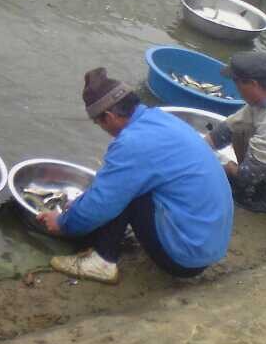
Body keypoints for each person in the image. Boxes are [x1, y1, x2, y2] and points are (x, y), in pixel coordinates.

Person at [38, 68, 233, 284]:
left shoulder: (132, 143)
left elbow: (104, 201)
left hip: (185, 258)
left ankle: (102, 261)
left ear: (109, 117)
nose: (102, 129)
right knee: (125, 183)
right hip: (209, 244)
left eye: (99, 123)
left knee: (122, 192)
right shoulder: (160, 119)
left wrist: (63, 223)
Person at [207, 51, 266, 213]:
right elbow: (229, 128)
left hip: (261, 168)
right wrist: (196, 149)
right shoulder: (262, 101)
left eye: (236, 82)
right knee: (240, 131)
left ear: (253, 84)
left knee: (242, 179)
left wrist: (229, 169)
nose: (235, 87)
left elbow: (250, 174)